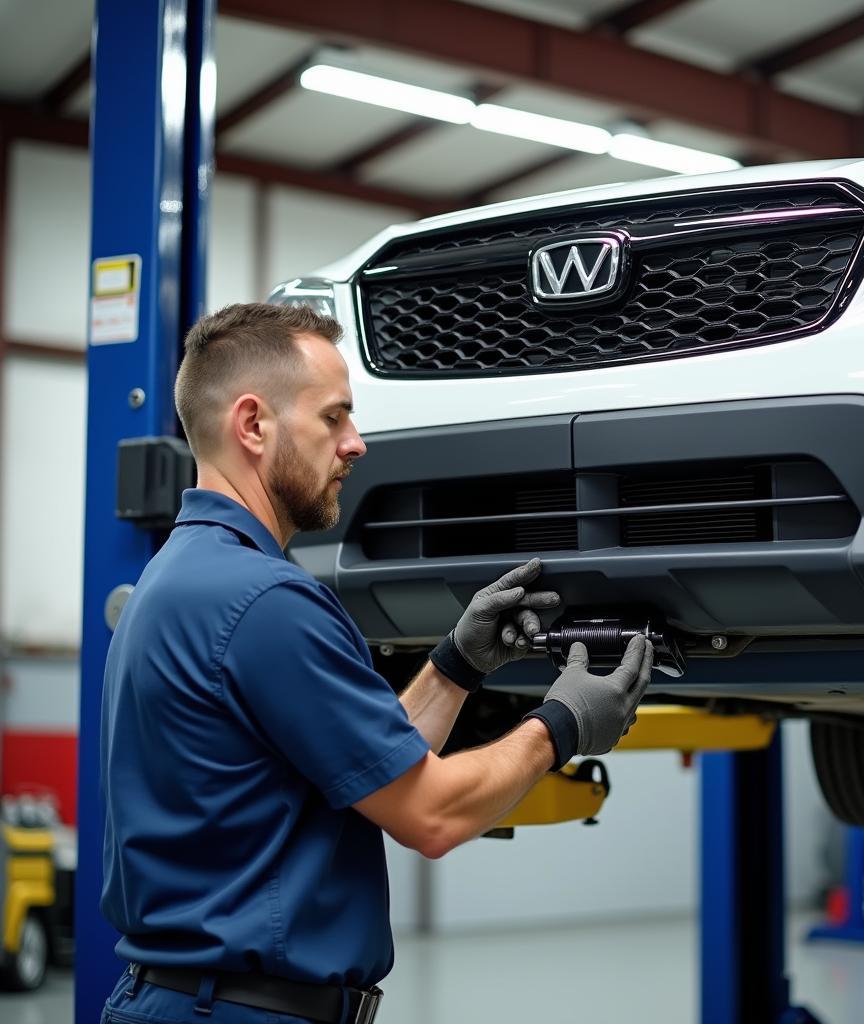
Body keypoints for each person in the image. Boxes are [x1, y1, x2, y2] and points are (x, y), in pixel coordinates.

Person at [99, 302, 653, 1024]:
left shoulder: (177, 581)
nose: (356, 444)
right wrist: (563, 725)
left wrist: (455, 665)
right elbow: (429, 815)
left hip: (185, 999)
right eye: (334, 418)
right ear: (253, 425)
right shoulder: (266, 600)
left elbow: (366, 770)